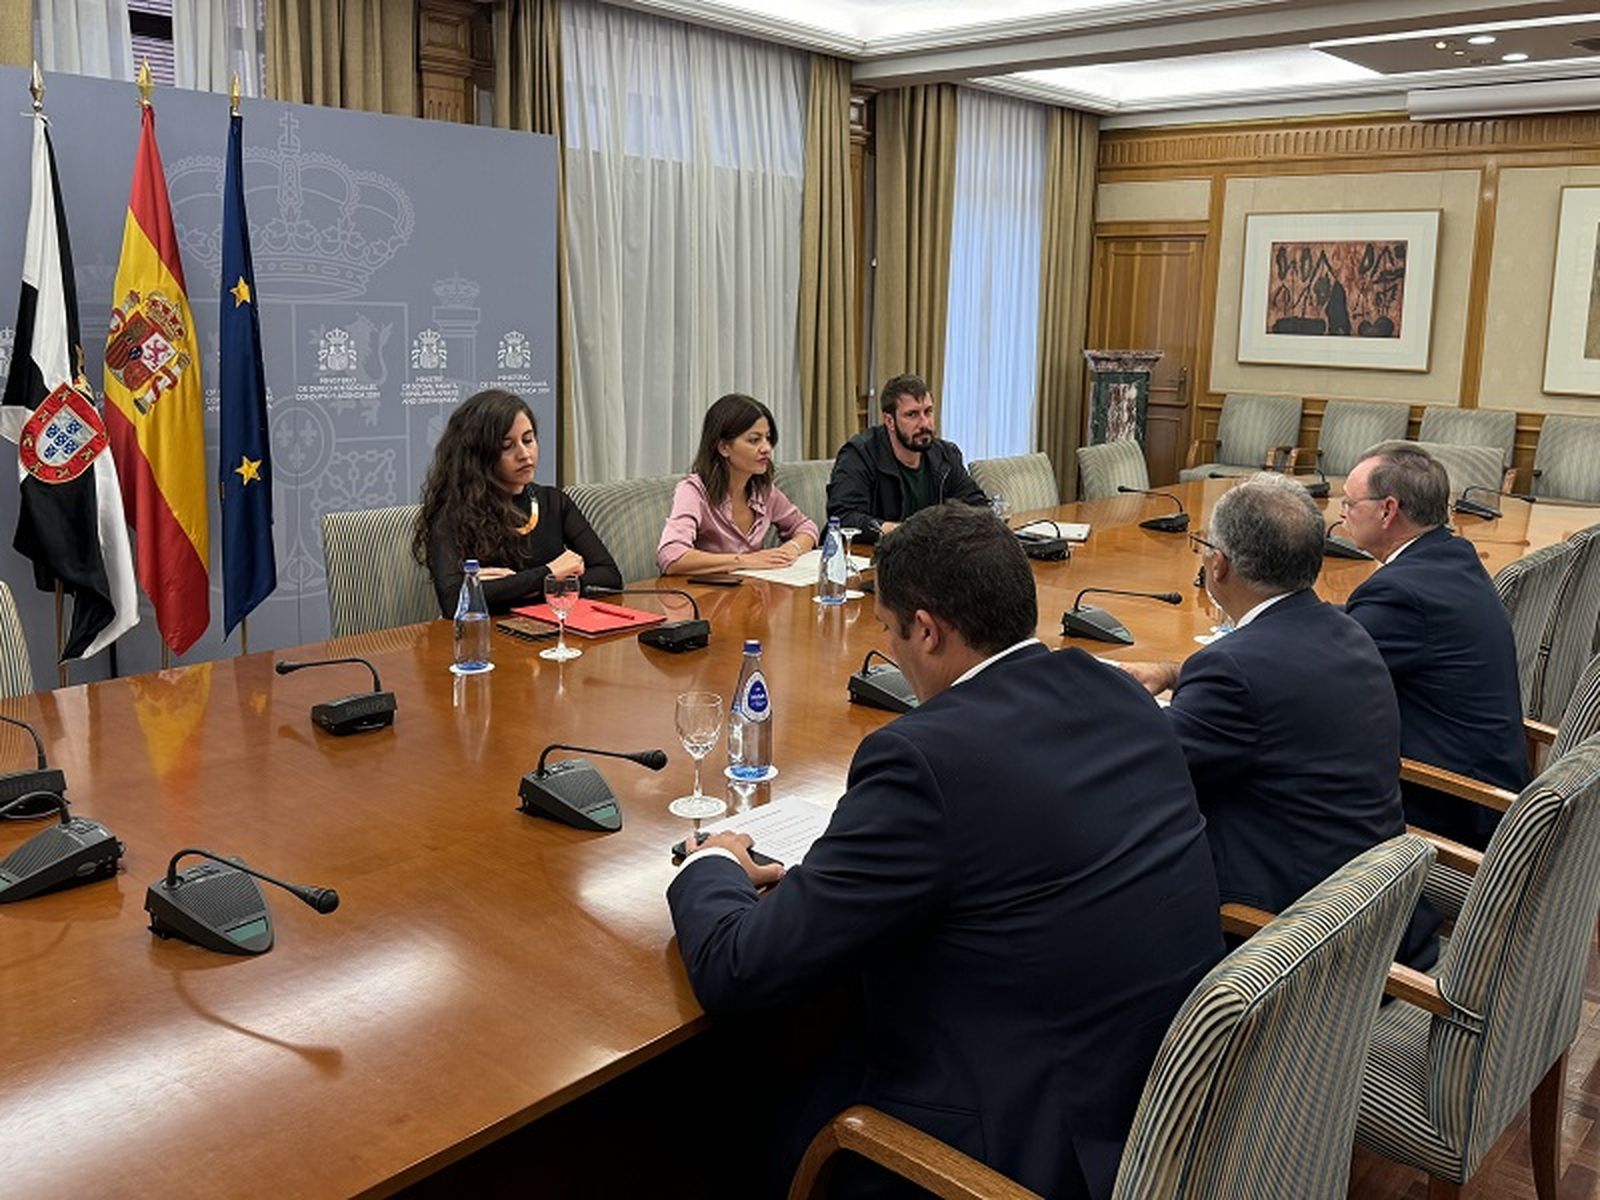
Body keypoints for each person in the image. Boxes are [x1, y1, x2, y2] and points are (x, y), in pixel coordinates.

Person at [668, 504, 1224, 1200]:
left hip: (1018, 1152)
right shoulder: (1117, 690)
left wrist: (712, 862)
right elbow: (1009, 854)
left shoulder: (922, 760)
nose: (895, 656)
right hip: (1161, 1106)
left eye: (891, 634)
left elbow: (737, 971)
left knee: (701, 1116)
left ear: (926, 630)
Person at [1122, 473, 1436, 968]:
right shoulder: (1348, 632)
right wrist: (1174, 673)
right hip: (1371, 911)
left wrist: (1098, 707)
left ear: (1218, 565)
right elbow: (1277, 684)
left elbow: (1146, 779)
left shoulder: (1232, 669)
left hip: (1291, 947)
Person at [1341, 441, 1528, 848]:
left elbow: (1323, 676)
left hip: (1450, 811)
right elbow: (1357, 633)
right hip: (1487, 790)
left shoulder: (1401, 592)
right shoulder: (1449, 555)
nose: (1341, 514)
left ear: (1388, 510)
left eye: (1349, 503)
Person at [414, 388, 622, 616]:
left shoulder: (553, 502)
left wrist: (511, 587)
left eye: (528, 440)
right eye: (507, 446)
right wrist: (551, 573)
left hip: (552, 633)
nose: (524, 454)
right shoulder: (452, 515)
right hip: (491, 640)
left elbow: (609, 577)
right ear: (478, 456)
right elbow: (454, 601)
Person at [657, 393, 818, 575]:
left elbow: (806, 527)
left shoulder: (763, 491)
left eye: (768, 438)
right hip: (706, 597)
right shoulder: (693, 491)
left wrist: (792, 549)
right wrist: (745, 560)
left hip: (752, 594)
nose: (766, 448)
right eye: (754, 440)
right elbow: (671, 556)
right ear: (724, 447)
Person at [826, 373, 988, 542]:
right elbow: (843, 517)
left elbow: (977, 505)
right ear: (889, 421)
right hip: (877, 557)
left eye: (928, 412)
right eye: (912, 415)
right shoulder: (859, 455)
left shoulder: (945, 455)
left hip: (935, 555)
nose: (925, 423)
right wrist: (904, 531)